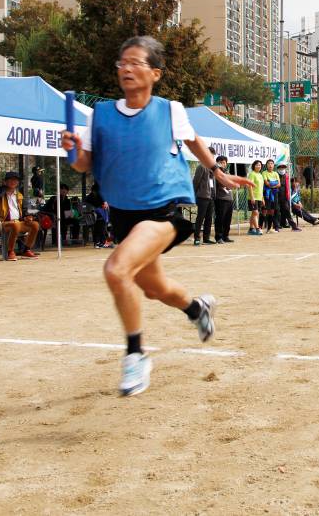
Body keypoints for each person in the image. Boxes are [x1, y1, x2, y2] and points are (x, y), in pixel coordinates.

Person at [62, 36, 253, 396]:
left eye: (136, 63)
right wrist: (72, 153)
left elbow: (194, 139)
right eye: (122, 63)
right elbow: (84, 163)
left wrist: (217, 171)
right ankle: (197, 309)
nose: (127, 69)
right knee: (154, 289)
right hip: (123, 214)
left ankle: (136, 354)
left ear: (155, 73)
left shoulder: (169, 110)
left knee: (117, 270)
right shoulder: (101, 115)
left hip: (164, 211)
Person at [0, 171, 41, 261]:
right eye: (10, 180)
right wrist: (4, 187)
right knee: (15, 225)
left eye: (16, 180)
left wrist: (26, 217)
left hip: (16, 222)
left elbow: (20, 211)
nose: (13, 182)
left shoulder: (19, 195)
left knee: (35, 224)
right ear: (5, 181)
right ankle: (10, 251)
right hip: (1, 223)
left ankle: (26, 249)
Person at [192, 146, 217, 245]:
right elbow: (196, 182)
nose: (212, 157)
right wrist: (194, 195)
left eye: (213, 155)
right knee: (200, 217)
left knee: (209, 218)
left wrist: (214, 193)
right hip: (202, 196)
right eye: (210, 154)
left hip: (210, 196)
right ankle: (197, 238)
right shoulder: (201, 166)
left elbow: (213, 183)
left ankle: (206, 238)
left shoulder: (213, 167)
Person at [213, 156, 235, 244]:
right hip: (220, 198)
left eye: (225, 162)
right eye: (221, 162)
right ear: (217, 163)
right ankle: (218, 237)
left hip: (229, 198)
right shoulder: (216, 172)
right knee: (220, 218)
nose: (223, 163)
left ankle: (226, 236)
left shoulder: (227, 172)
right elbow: (221, 183)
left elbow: (231, 184)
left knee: (228, 219)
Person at [85, 181, 113, 248]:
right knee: (100, 228)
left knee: (103, 228)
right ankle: (101, 242)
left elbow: (106, 205)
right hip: (95, 216)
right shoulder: (91, 197)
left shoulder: (99, 196)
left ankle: (101, 242)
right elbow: (88, 207)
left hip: (100, 215)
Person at [276, 163, 301, 231]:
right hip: (276, 196)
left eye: (283, 168)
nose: (282, 169)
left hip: (285, 196)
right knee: (277, 211)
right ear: (277, 168)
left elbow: (289, 186)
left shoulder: (287, 176)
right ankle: (277, 226)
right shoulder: (275, 175)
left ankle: (293, 226)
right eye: (280, 168)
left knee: (287, 211)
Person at [261, 159, 281, 232]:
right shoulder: (264, 173)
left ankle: (275, 227)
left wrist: (272, 184)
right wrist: (274, 183)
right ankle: (267, 227)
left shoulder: (276, 173)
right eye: (269, 163)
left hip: (275, 194)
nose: (270, 165)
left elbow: (279, 184)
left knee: (274, 210)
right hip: (267, 194)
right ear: (266, 165)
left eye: (272, 163)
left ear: (273, 165)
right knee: (268, 211)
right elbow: (266, 183)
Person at [246, 160, 264, 236]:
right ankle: (257, 229)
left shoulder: (260, 175)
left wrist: (262, 198)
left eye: (259, 165)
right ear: (253, 166)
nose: (258, 166)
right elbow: (249, 186)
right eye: (257, 165)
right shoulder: (252, 174)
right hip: (253, 197)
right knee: (255, 212)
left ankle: (251, 229)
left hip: (259, 197)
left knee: (255, 213)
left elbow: (261, 188)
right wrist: (252, 197)